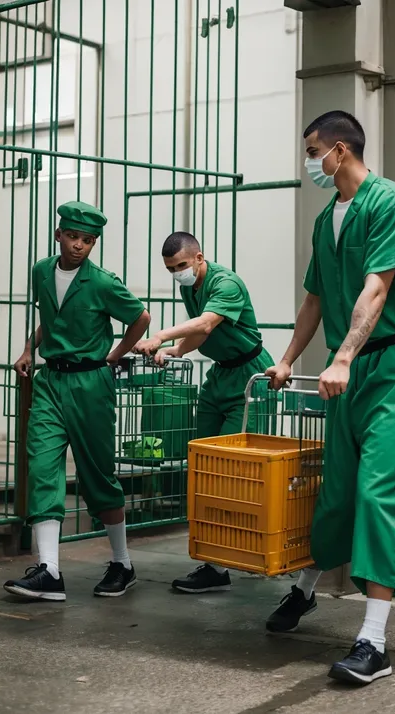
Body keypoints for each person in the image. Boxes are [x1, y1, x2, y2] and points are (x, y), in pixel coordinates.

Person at [265, 111, 395, 685]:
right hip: (352, 371)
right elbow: (315, 298)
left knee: (378, 492)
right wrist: (288, 359)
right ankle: (306, 590)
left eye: (313, 151)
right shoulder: (324, 220)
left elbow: (378, 285)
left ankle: (375, 641)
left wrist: (341, 357)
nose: (309, 161)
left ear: (339, 150)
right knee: (335, 495)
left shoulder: (388, 202)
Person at [4, 201, 150, 601]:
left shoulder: (102, 282)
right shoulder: (41, 271)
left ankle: (122, 563)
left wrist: (116, 353)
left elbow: (141, 317)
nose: (79, 245)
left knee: (98, 475)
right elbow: (51, 316)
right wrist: (29, 349)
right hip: (51, 381)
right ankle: (49, 571)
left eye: (88, 240)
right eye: (72, 236)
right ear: (59, 235)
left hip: (91, 383)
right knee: (42, 466)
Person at [134, 232, 274, 593]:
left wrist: (161, 336)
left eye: (182, 265)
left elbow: (207, 322)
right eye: (170, 269)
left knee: (238, 467)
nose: (177, 273)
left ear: (199, 257)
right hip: (220, 376)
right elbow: (200, 332)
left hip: (249, 375)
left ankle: (256, 548)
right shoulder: (189, 287)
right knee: (205, 463)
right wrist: (177, 351)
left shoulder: (225, 283)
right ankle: (213, 565)